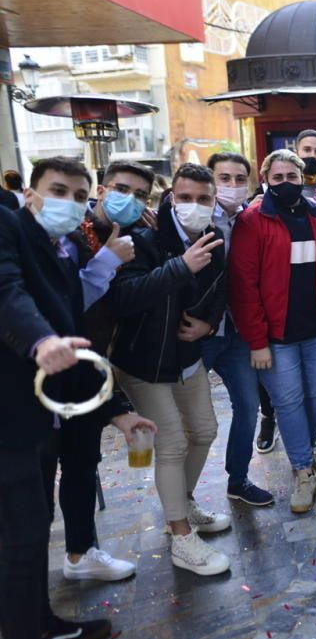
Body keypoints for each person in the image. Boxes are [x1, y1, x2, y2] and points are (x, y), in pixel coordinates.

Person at [0, 157, 159, 639]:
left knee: (28, 529)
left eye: (75, 194)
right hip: (10, 412)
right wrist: (39, 341)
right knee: (23, 530)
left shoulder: (65, 247)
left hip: (44, 413)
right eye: (56, 190)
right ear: (30, 194)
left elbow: (75, 335)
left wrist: (119, 414)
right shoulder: (10, 228)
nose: (66, 202)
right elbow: (7, 292)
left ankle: (33, 622)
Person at [110, 163, 233, 575]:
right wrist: (180, 265)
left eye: (203, 199)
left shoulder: (214, 242)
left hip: (187, 357)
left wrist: (209, 323)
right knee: (174, 443)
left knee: (205, 430)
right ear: (170, 199)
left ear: (214, 202)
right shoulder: (144, 240)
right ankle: (180, 536)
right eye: (184, 198)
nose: (193, 207)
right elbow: (125, 298)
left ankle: (185, 501)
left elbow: (220, 291)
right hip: (144, 362)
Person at [229, 149, 316, 513]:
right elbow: (243, 286)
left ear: (303, 179)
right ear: (265, 179)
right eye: (277, 178)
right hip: (275, 337)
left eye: (291, 177)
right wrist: (257, 341)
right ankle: (301, 469)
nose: (285, 183)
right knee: (288, 402)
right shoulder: (252, 221)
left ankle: (309, 450)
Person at [52, 160, 149, 585]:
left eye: (142, 194)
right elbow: (66, 306)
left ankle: (79, 552)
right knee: (39, 472)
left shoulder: (127, 237)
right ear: (105, 189)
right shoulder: (71, 236)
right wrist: (108, 260)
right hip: (52, 366)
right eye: (123, 189)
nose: (132, 199)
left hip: (91, 366)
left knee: (80, 462)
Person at [198, 152, 275, 507]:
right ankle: (181, 499)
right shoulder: (193, 217)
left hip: (237, 333)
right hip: (198, 334)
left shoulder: (248, 220)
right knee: (193, 423)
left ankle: (238, 479)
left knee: (247, 405)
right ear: (210, 180)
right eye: (223, 178)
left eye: (238, 179)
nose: (231, 185)